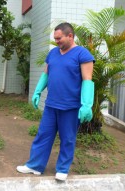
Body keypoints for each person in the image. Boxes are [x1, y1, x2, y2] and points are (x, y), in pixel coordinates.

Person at [16, 22, 95, 181]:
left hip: (71, 107)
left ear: (70, 36)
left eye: (59, 38)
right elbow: (46, 74)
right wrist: (38, 90)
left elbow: (87, 80)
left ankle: (62, 169)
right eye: (55, 38)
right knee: (43, 135)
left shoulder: (82, 54)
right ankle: (35, 165)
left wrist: (87, 104)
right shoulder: (52, 53)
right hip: (51, 105)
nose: (56, 41)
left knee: (68, 138)